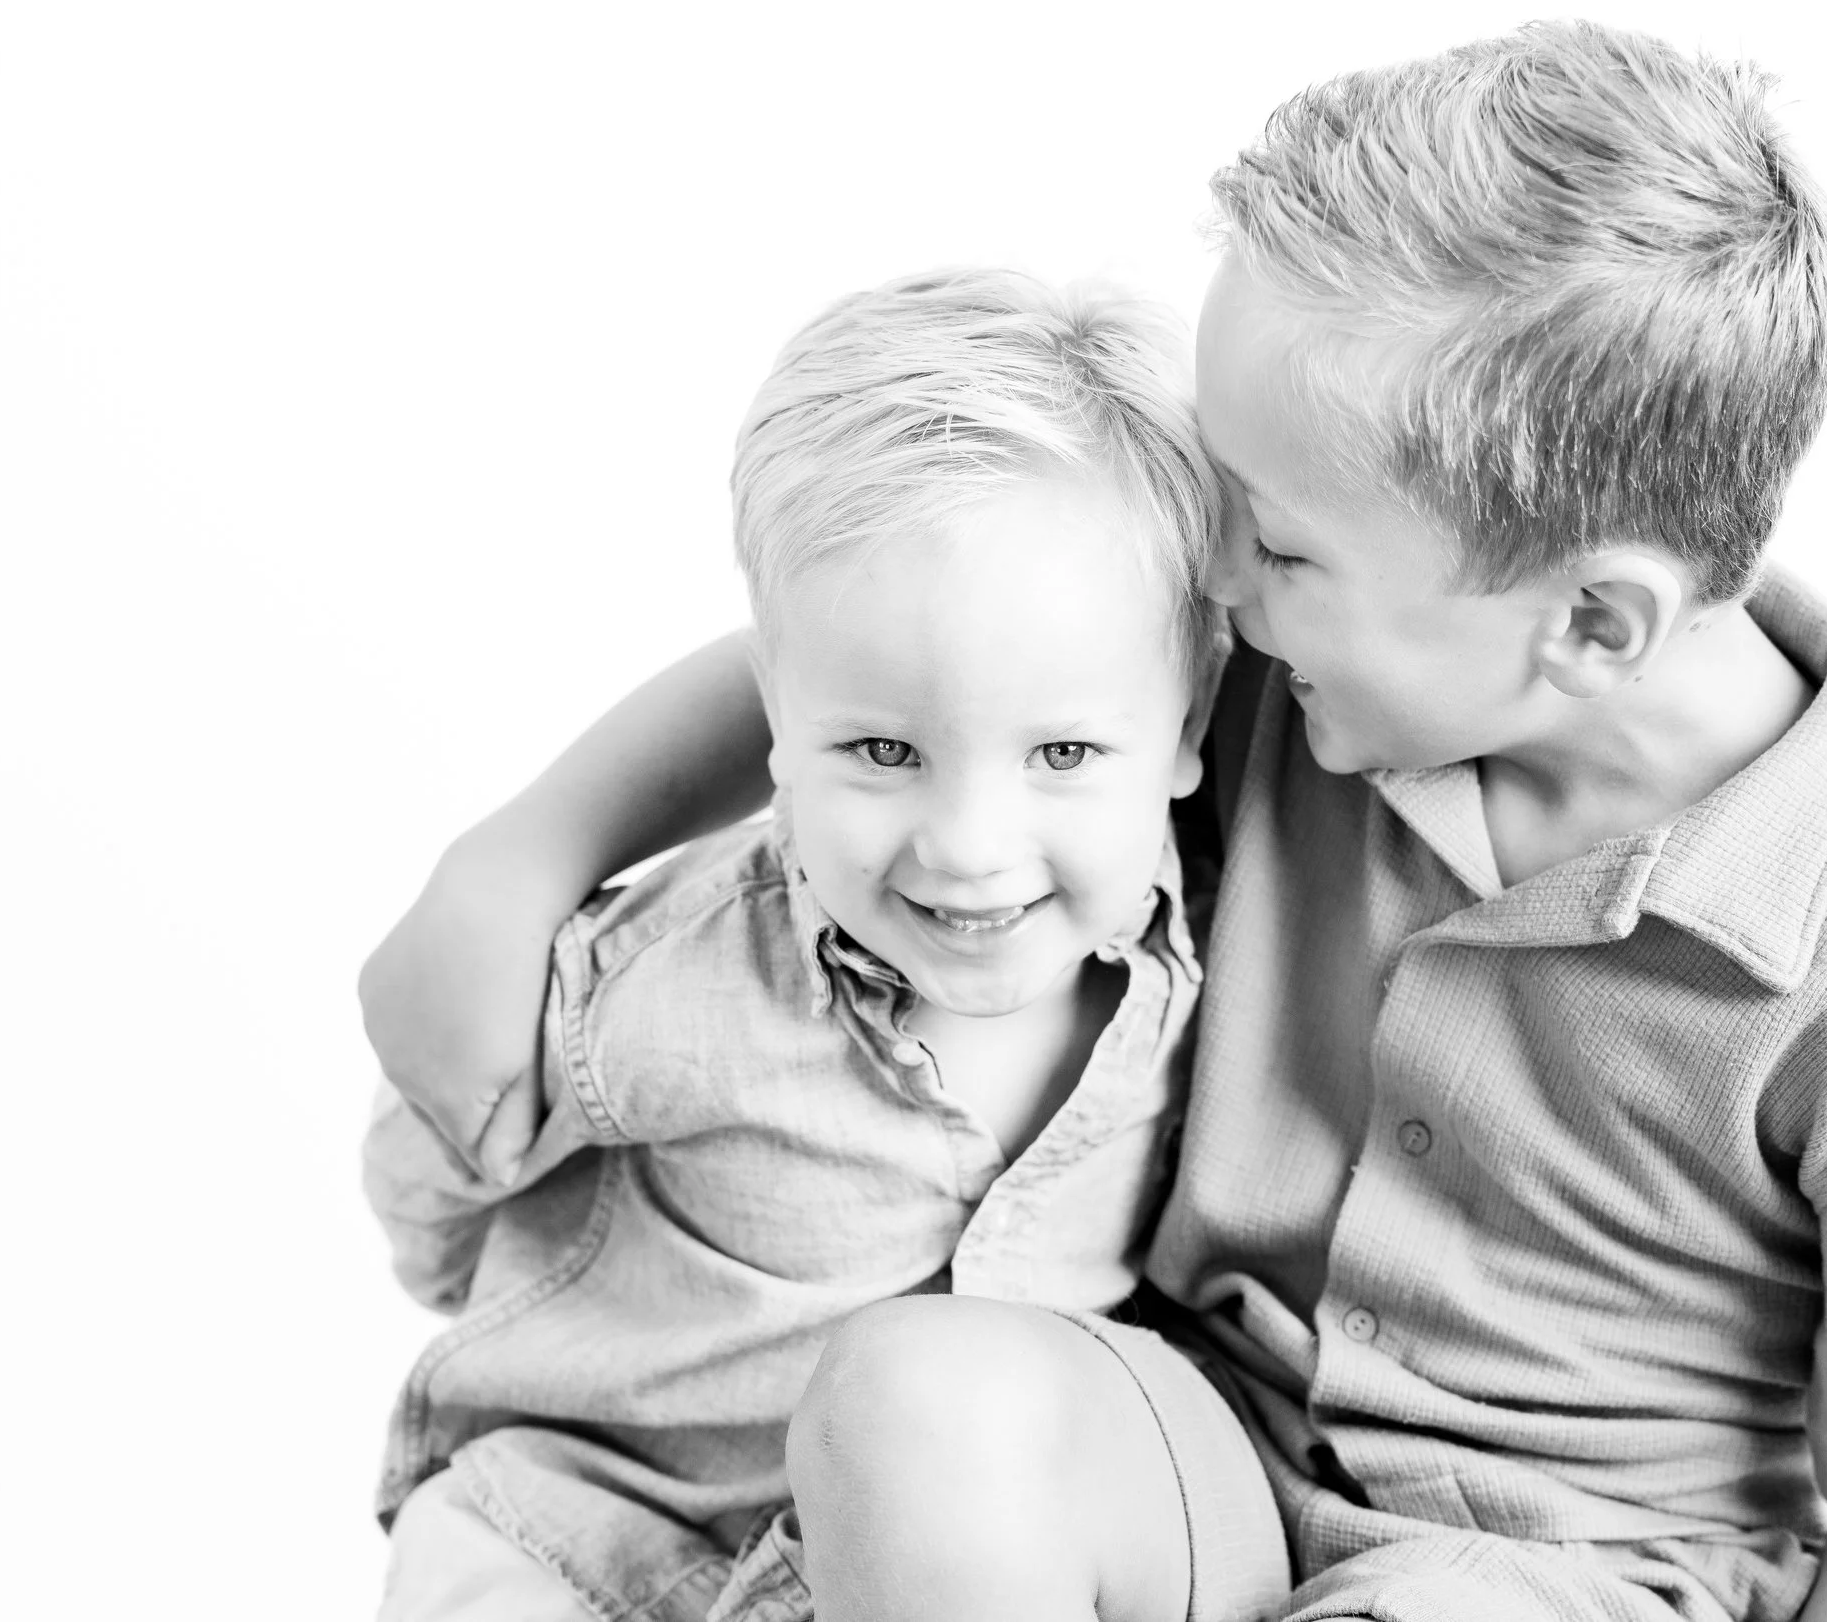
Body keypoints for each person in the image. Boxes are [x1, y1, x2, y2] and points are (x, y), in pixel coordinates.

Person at [361, 21, 1827, 1622]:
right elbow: (908, 663)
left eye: (1275, 543)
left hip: (1574, 1571)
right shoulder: (1339, 667)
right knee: (918, 1391)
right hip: (1198, 1442)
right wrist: (529, 845)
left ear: (1590, 625)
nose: (1217, 578)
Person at [363, 267, 1287, 1622]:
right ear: (776, 726)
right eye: (882, 749)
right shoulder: (672, 974)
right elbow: (433, 1161)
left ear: (1190, 725)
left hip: (901, 1563)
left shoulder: (1199, 959)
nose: (971, 843)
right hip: (586, 1533)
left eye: (1066, 752)